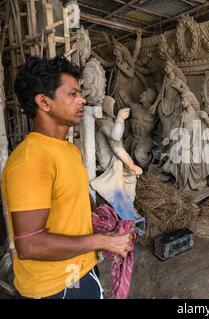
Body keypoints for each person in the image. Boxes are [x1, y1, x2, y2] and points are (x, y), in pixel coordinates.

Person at [1, 56, 133, 299]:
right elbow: (30, 245)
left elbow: (77, 202)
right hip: (51, 288)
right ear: (44, 102)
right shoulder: (31, 159)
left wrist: (111, 220)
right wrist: (103, 241)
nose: (82, 99)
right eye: (72, 94)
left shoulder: (69, 149)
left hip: (81, 272)